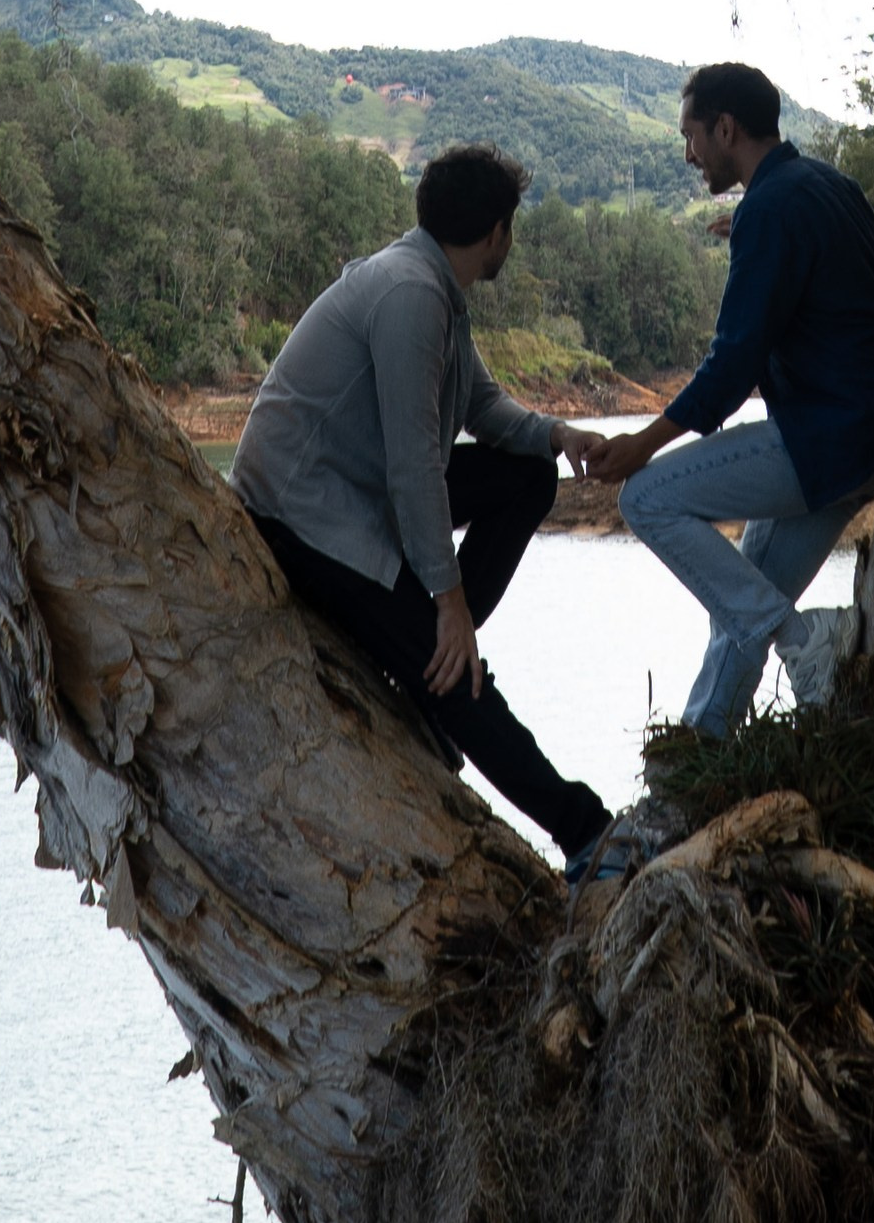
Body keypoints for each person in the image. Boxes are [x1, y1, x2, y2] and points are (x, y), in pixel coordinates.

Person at [231, 140, 622, 879]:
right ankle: (588, 835)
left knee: (527, 476)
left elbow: (481, 405)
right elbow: (415, 469)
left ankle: (432, 660)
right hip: (307, 519)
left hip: (360, 493)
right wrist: (448, 603)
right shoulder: (410, 294)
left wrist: (559, 435)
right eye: (513, 228)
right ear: (497, 232)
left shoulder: (429, 282)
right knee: (459, 679)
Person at [590, 62, 874, 740]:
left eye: (691, 136)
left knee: (644, 499)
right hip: (872, 437)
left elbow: (731, 366)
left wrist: (641, 446)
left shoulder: (769, 211)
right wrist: (747, 227)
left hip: (826, 438)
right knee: (742, 603)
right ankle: (702, 748)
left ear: (726, 128)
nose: (689, 154)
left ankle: (802, 639)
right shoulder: (828, 187)